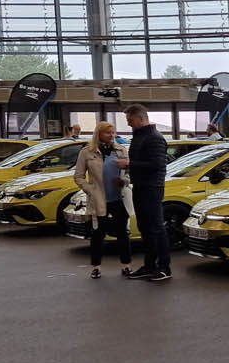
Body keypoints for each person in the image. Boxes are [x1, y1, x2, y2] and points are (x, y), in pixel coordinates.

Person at [115, 104, 172, 282]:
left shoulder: (155, 138)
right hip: (140, 186)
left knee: (156, 227)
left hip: (152, 188)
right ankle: (149, 265)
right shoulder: (140, 137)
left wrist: (129, 164)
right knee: (145, 228)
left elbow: (157, 164)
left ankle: (164, 267)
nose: (128, 124)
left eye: (130, 120)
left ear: (140, 118)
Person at [73, 122, 133, 279]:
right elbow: (78, 176)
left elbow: (128, 172)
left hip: (119, 198)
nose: (111, 135)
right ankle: (96, 267)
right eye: (108, 133)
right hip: (99, 199)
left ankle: (126, 265)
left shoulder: (121, 150)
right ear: (98, 134)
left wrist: (124, 181)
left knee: (123, 234)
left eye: (113, 132)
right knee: (98, 234)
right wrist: (90, 189)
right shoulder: (87, 152)